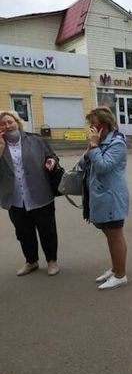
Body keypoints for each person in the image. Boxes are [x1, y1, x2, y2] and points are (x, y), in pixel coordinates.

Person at [0, 111, 60, 276]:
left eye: (9, 122)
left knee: (47, 230)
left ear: (17, 122)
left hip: (40, 193)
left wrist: (51, 161)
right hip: (15, 198)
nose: (7, 126)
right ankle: (31, 262)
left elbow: (52, 155)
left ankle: (52, 261)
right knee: (23, 233)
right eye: (2, 124)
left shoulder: (35, 140)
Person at [79, 108, 129, 290]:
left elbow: (103, 166)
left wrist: (94, 146)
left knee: (115, 235)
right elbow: (84, 164)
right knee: (109, 234)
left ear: (104, 125)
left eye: (93, 125)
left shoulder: (117, 144)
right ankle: (116, 268)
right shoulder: (100, 141)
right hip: (100, 195)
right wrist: (90, 146)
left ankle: (121, 275)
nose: (90, 129)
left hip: (111, 197)